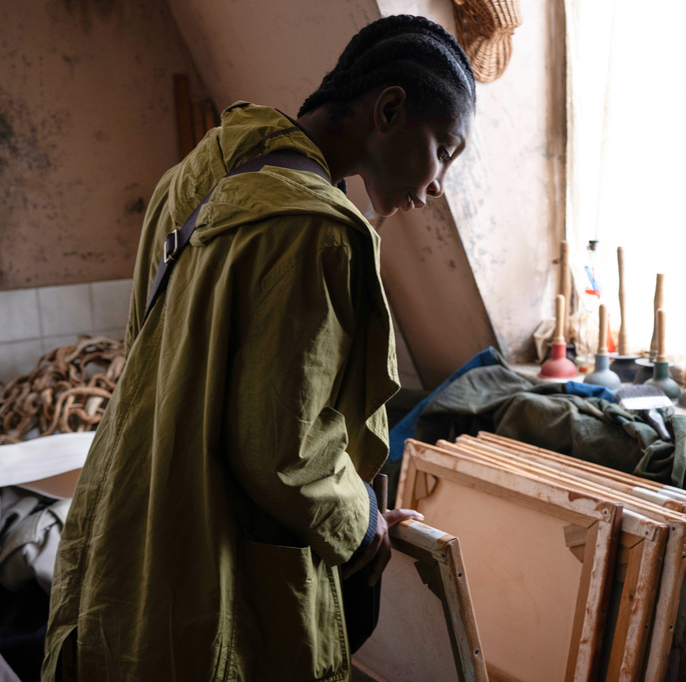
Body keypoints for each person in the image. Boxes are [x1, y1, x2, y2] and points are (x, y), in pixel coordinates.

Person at [40, 14, 476, 682]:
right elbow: (286, 452)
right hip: (210, 571)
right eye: (444, 150)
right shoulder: (316, 229)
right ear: (389, 111)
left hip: (129, 518)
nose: (440, 181)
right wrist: (362, 525)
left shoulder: (191, 177)